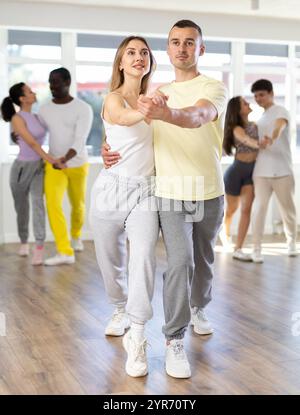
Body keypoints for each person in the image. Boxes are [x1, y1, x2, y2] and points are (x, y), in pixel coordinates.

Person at [103, 20, 228, 379]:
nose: (182, 48)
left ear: (200, 49)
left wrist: (166, 114)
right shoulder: (157, 91)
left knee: (203, 259)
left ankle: (199, 306)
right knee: (180, 263)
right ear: (168, 49)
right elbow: (132, 129)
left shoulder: (213, 88)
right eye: (175, 42)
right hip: (171, 191)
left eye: (190, 42)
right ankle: (174, 339)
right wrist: (107, 147)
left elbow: (199, 116)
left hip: (208, 190)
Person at [89, 36, 159, 378]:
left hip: (147, 191)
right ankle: (118, 307)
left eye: (144, 52)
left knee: (144, 255)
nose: (138, 57)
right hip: (110, 189)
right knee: (109, 259)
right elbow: (122, 118)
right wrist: (151, 110)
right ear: (120, 62)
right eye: (131, 52)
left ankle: (139, 332)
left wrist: (160, 109)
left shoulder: (158, 100)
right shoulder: (113, 98)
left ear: (150, 61)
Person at [0, 82, 62, 265]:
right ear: (22, 98)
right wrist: (52, 160)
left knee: (37, 205)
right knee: (22, 208)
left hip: (37, 168)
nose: (33, 93)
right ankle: (24, 241)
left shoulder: (37, 117)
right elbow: (34, 144)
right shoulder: (17, 119)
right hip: (21, 169)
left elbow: (51, 132)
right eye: (29, 91)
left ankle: (39, 248)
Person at [39, 67, 93, 266]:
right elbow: (37, 132)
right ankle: (64, 250)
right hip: (53, 164)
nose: (52, 86)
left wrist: (65, 159)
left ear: (67, 82)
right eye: (50, 81)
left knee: (77, 205)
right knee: (53, 204)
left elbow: (80, 140)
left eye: (56, 82)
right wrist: (17, 134)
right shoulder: (45, 109)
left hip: (77, 163)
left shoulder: (83, 108)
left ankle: (76, 236)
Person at [250, 79, 298, 263]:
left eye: (261, 94)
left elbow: (279, 127)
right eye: (255, 96)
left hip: (282, 170)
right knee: (259, 209)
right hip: (261, 171)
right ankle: (256, 249)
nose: (258, 99)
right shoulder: (261, 117)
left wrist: (271, 138)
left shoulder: (281, 111)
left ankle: (292, 243)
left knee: (288, 210)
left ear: (271, 93)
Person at [221, 96, 262, 261]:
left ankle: (238, 248)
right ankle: (225, 234)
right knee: (231, 210)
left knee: (246, 210)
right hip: (236, 172)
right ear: (238, 110)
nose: (249, 104)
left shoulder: (255, 126)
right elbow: (246, 140)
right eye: (245, 103)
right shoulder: (235, 128)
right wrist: (260, 144)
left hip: (251, 172)